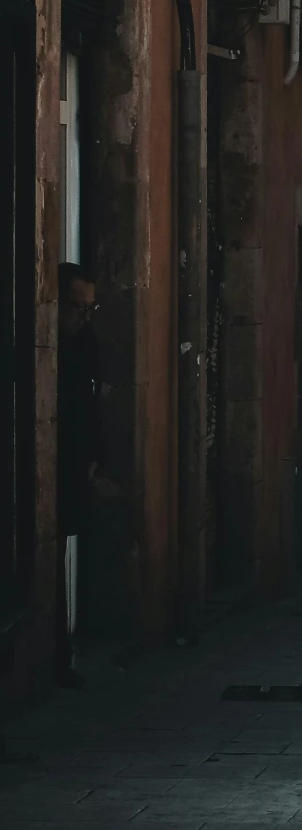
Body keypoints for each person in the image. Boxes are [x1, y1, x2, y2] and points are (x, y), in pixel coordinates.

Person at [57, 263, 106, 683]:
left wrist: (93, 457)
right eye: (78, 308)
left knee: (60, 546)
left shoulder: (86, 343)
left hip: (75, 461)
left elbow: (93, 405)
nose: (83, 317)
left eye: (90, 308)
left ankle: (60, 652)